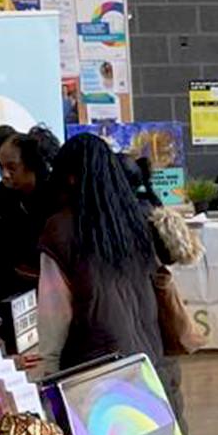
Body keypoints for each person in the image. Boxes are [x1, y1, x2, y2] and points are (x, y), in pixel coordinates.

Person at [34, 133, 184, 411]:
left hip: (97, 375)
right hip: (153, 361)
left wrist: (49, 375)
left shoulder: (61, 230)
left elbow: (54, 315)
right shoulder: (138, 219)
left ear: (68, 178)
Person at [0, 125, 60, 319]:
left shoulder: (57, 197)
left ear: (31, 164)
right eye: (1, 167)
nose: (5, 174)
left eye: (12, 168)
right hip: (10, 296)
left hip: (55, 296)